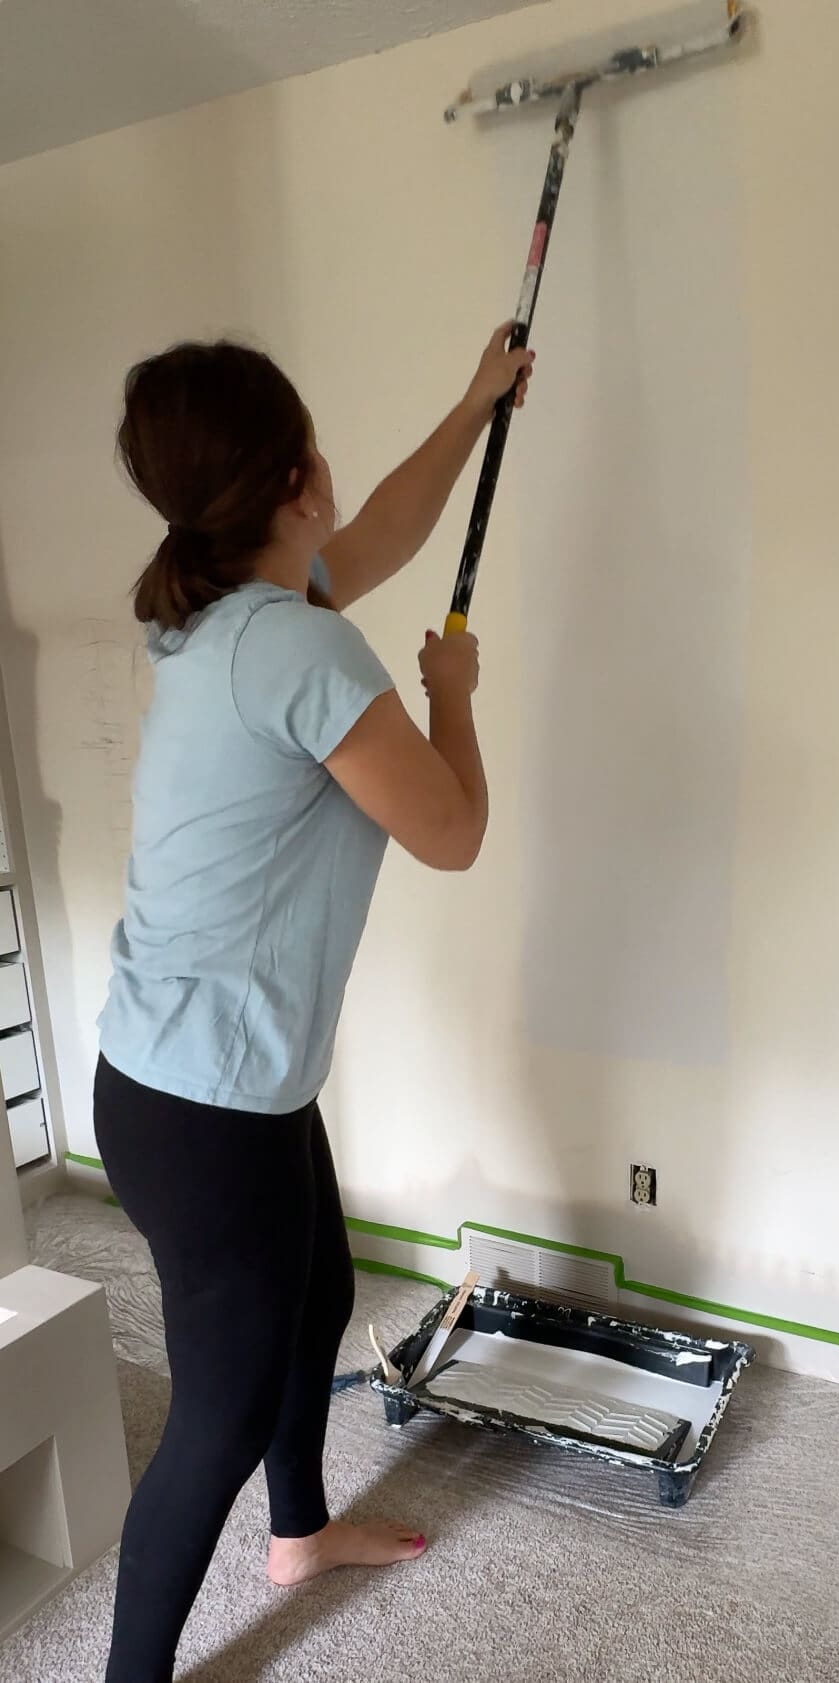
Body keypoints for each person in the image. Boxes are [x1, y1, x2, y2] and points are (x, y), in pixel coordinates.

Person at [93, 325, 533, 1683]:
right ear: (296, 478)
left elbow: (386, 532)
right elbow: (450, 830)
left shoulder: (223, 607)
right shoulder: (302, 654)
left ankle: (298, 1536)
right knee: (211, 1420)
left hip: (202, 1077)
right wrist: (449, 696)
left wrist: (472, 407)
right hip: (204, 1105)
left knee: (321, 1288)